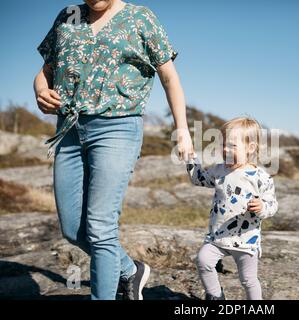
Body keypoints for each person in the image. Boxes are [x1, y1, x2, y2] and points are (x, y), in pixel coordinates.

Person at [33, 0, 194, 300]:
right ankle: (130, 270)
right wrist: (41, 90)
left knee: (99, 226)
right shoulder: (68, 16)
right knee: (72, 228)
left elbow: (170, 78)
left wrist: (181, 129)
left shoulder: (141, 18)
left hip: (117, 128)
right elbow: (45, 71)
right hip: (68, 130)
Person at [186, 117, 278, 300]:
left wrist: (261, 207)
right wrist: (190, 157)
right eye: (223, 145)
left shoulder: (260, 177)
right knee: (203, 261)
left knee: (248, 280)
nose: (226, 150)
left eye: (232, 146)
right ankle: (215, 296)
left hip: (245, 240)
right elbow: (199, 178)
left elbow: (272, 205)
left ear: (250, 148)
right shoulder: (219, 170)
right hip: (218, 236)